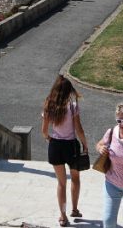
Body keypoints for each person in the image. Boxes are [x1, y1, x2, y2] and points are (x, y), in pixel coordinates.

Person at [42, 75, 89, 226]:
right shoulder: (73, 106)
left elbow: (44, 131)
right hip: (71, 146)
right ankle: (74, 209)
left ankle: (63, 216)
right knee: (75, 178)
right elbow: (79, 129)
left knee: (61, 183)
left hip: (55, 146)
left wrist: (51, 140)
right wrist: (85, 144)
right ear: (69, 91)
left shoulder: (48, 104)